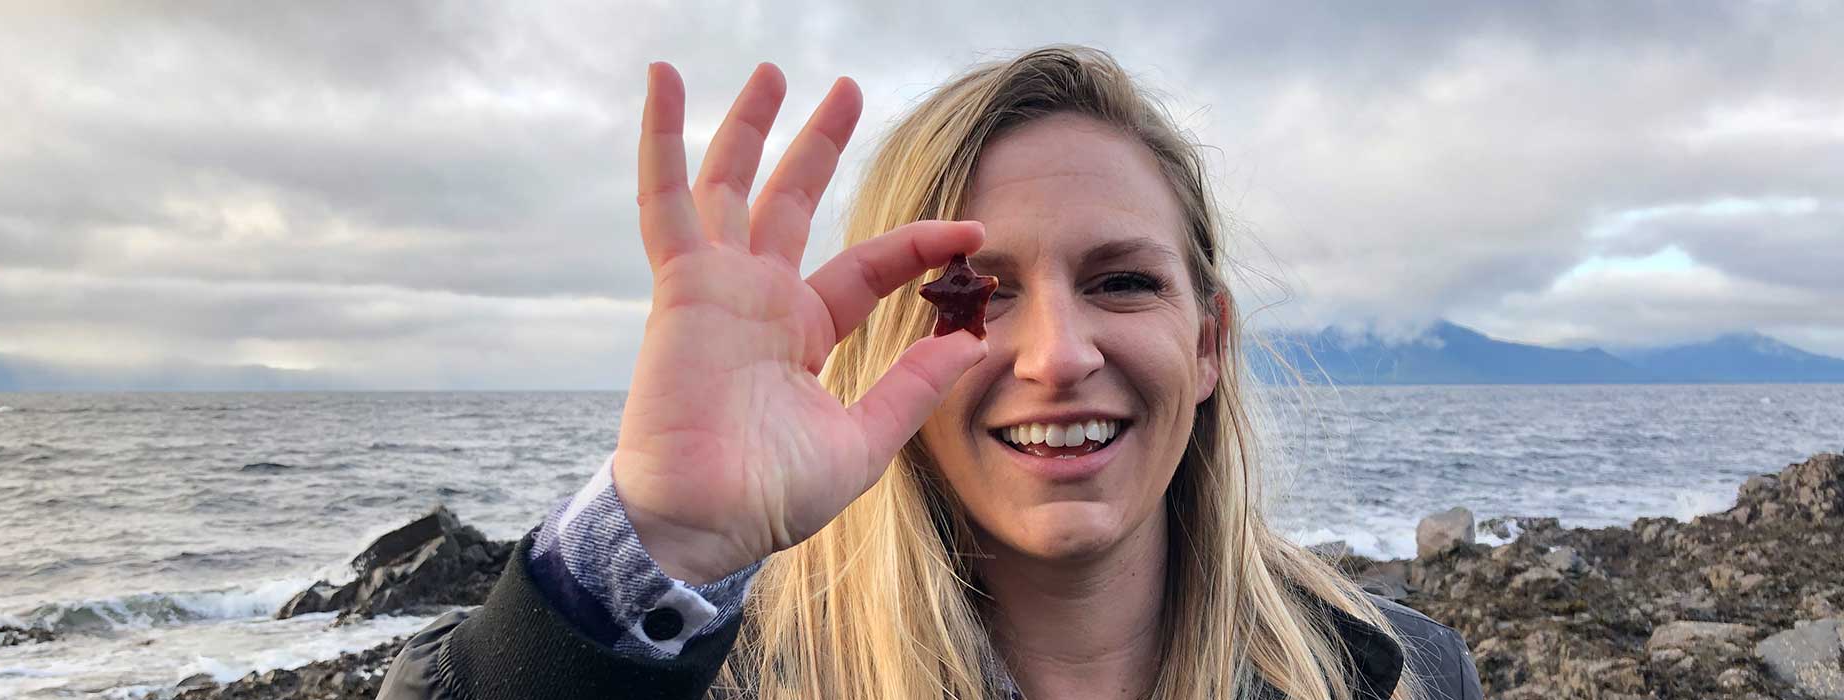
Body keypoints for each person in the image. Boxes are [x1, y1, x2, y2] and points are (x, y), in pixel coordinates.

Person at [377, 44, 1481, 700]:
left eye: (1123, 282)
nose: (1056, 355)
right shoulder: (734, 677)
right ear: (882, 345)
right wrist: (658, 539)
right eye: (978, 292)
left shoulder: (1399, 673)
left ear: (1207, 343)